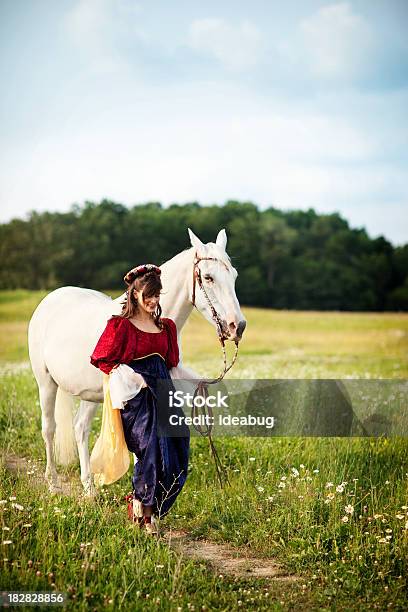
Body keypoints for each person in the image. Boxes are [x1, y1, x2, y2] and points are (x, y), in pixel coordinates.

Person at [90, 264, 190, 535]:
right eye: (148, 295)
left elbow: (172, 365)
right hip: (138, 398)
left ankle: (150, 505)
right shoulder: (121, 326)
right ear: (134, 294)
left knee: (179, 451)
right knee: (152, 450)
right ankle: (144, 514)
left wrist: (201, 381)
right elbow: (103, 361)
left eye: (157, 295)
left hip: (164, 393)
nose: (153, 301)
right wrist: (138, 379)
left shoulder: (166, 327)